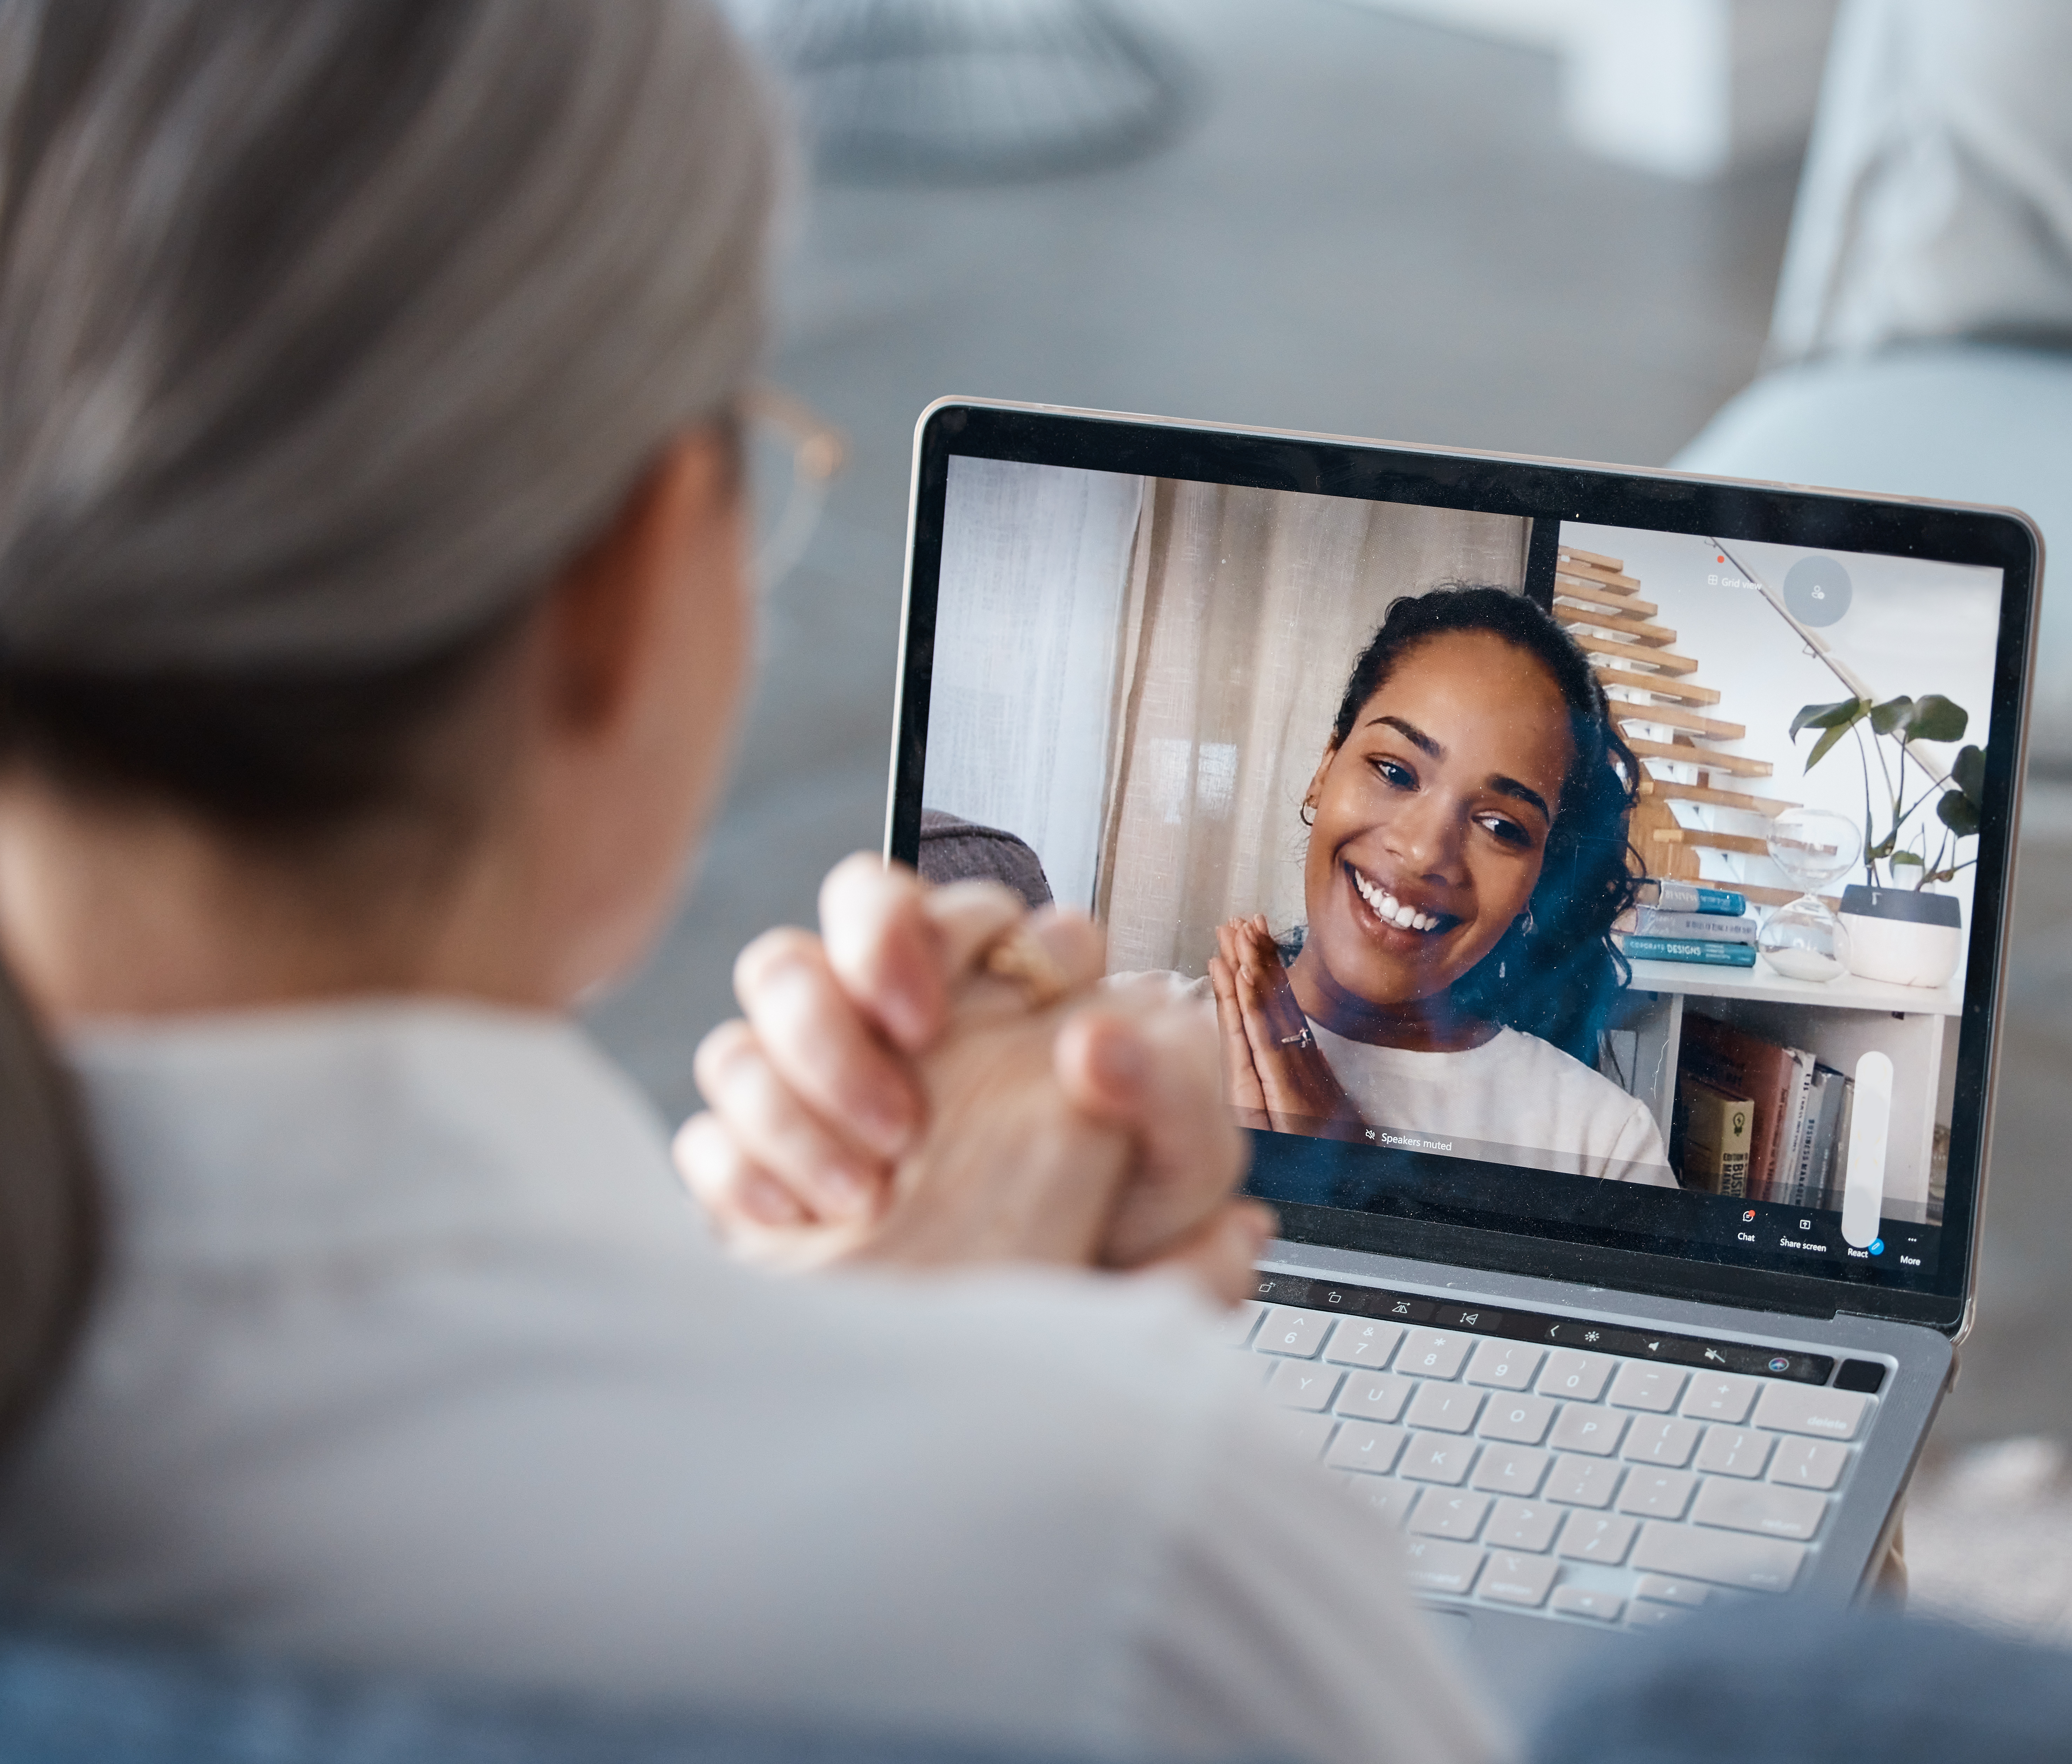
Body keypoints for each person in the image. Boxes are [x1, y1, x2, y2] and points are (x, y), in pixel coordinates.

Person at [0, 5, 1500, 1761]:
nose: (1424, 842)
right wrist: (951, 1404)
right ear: (624, 591)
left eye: (1503, 815)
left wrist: (849, 1340)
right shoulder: (1124, 1560)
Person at [1207, 587, 1676, 1186]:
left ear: (1538, 877)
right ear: (1324, 770)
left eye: (1502, 826)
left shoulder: (1603, 1144)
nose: (1426, 852)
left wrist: (1352, 1181)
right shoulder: (1112, 1032)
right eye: (1395, 771)